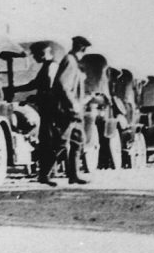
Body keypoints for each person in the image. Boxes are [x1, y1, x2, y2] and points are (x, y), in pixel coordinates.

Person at [6, 42, 60, 186]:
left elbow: (49, 90)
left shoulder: (52, 67)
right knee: (46, 141)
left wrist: (33, 97)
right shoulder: (46, 66)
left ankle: (47, 173)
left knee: (51, 142)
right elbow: (35, 84)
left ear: (42, 54)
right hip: (46, 109)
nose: (34, 58)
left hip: (51, 110)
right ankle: (44, 174)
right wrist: (15, 89)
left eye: (35, 55)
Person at [52, 36, 92, 185]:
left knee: (77, 141)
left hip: (75, 109)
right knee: (61, 142)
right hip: (68, 110)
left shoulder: (73, 62)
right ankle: (45, 173)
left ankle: (74, 175)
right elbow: (62, 85)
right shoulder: (69, 61)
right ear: (82, 49)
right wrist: (73, 104)